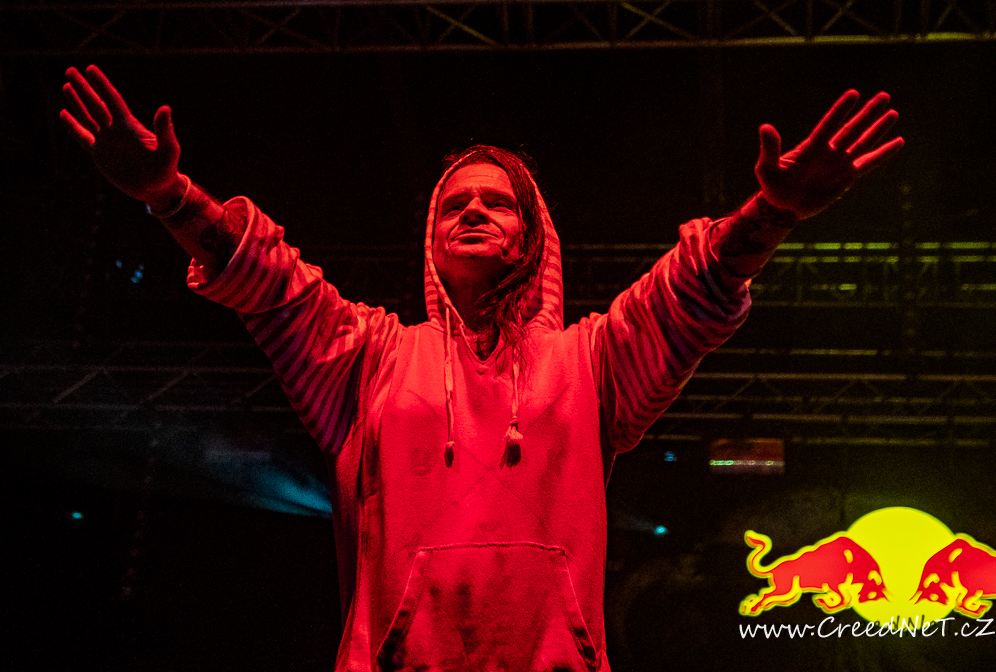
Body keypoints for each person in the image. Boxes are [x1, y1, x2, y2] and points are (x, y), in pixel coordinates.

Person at [61, 65, 903, 672]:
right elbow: (270, 282)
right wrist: (169, 195)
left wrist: (771, 212)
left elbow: (689, 293)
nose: (471, 209)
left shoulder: (594, 359)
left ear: (532, 234)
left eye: (496, 200)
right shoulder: (371, 358)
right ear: (430, 240)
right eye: (453, 203)